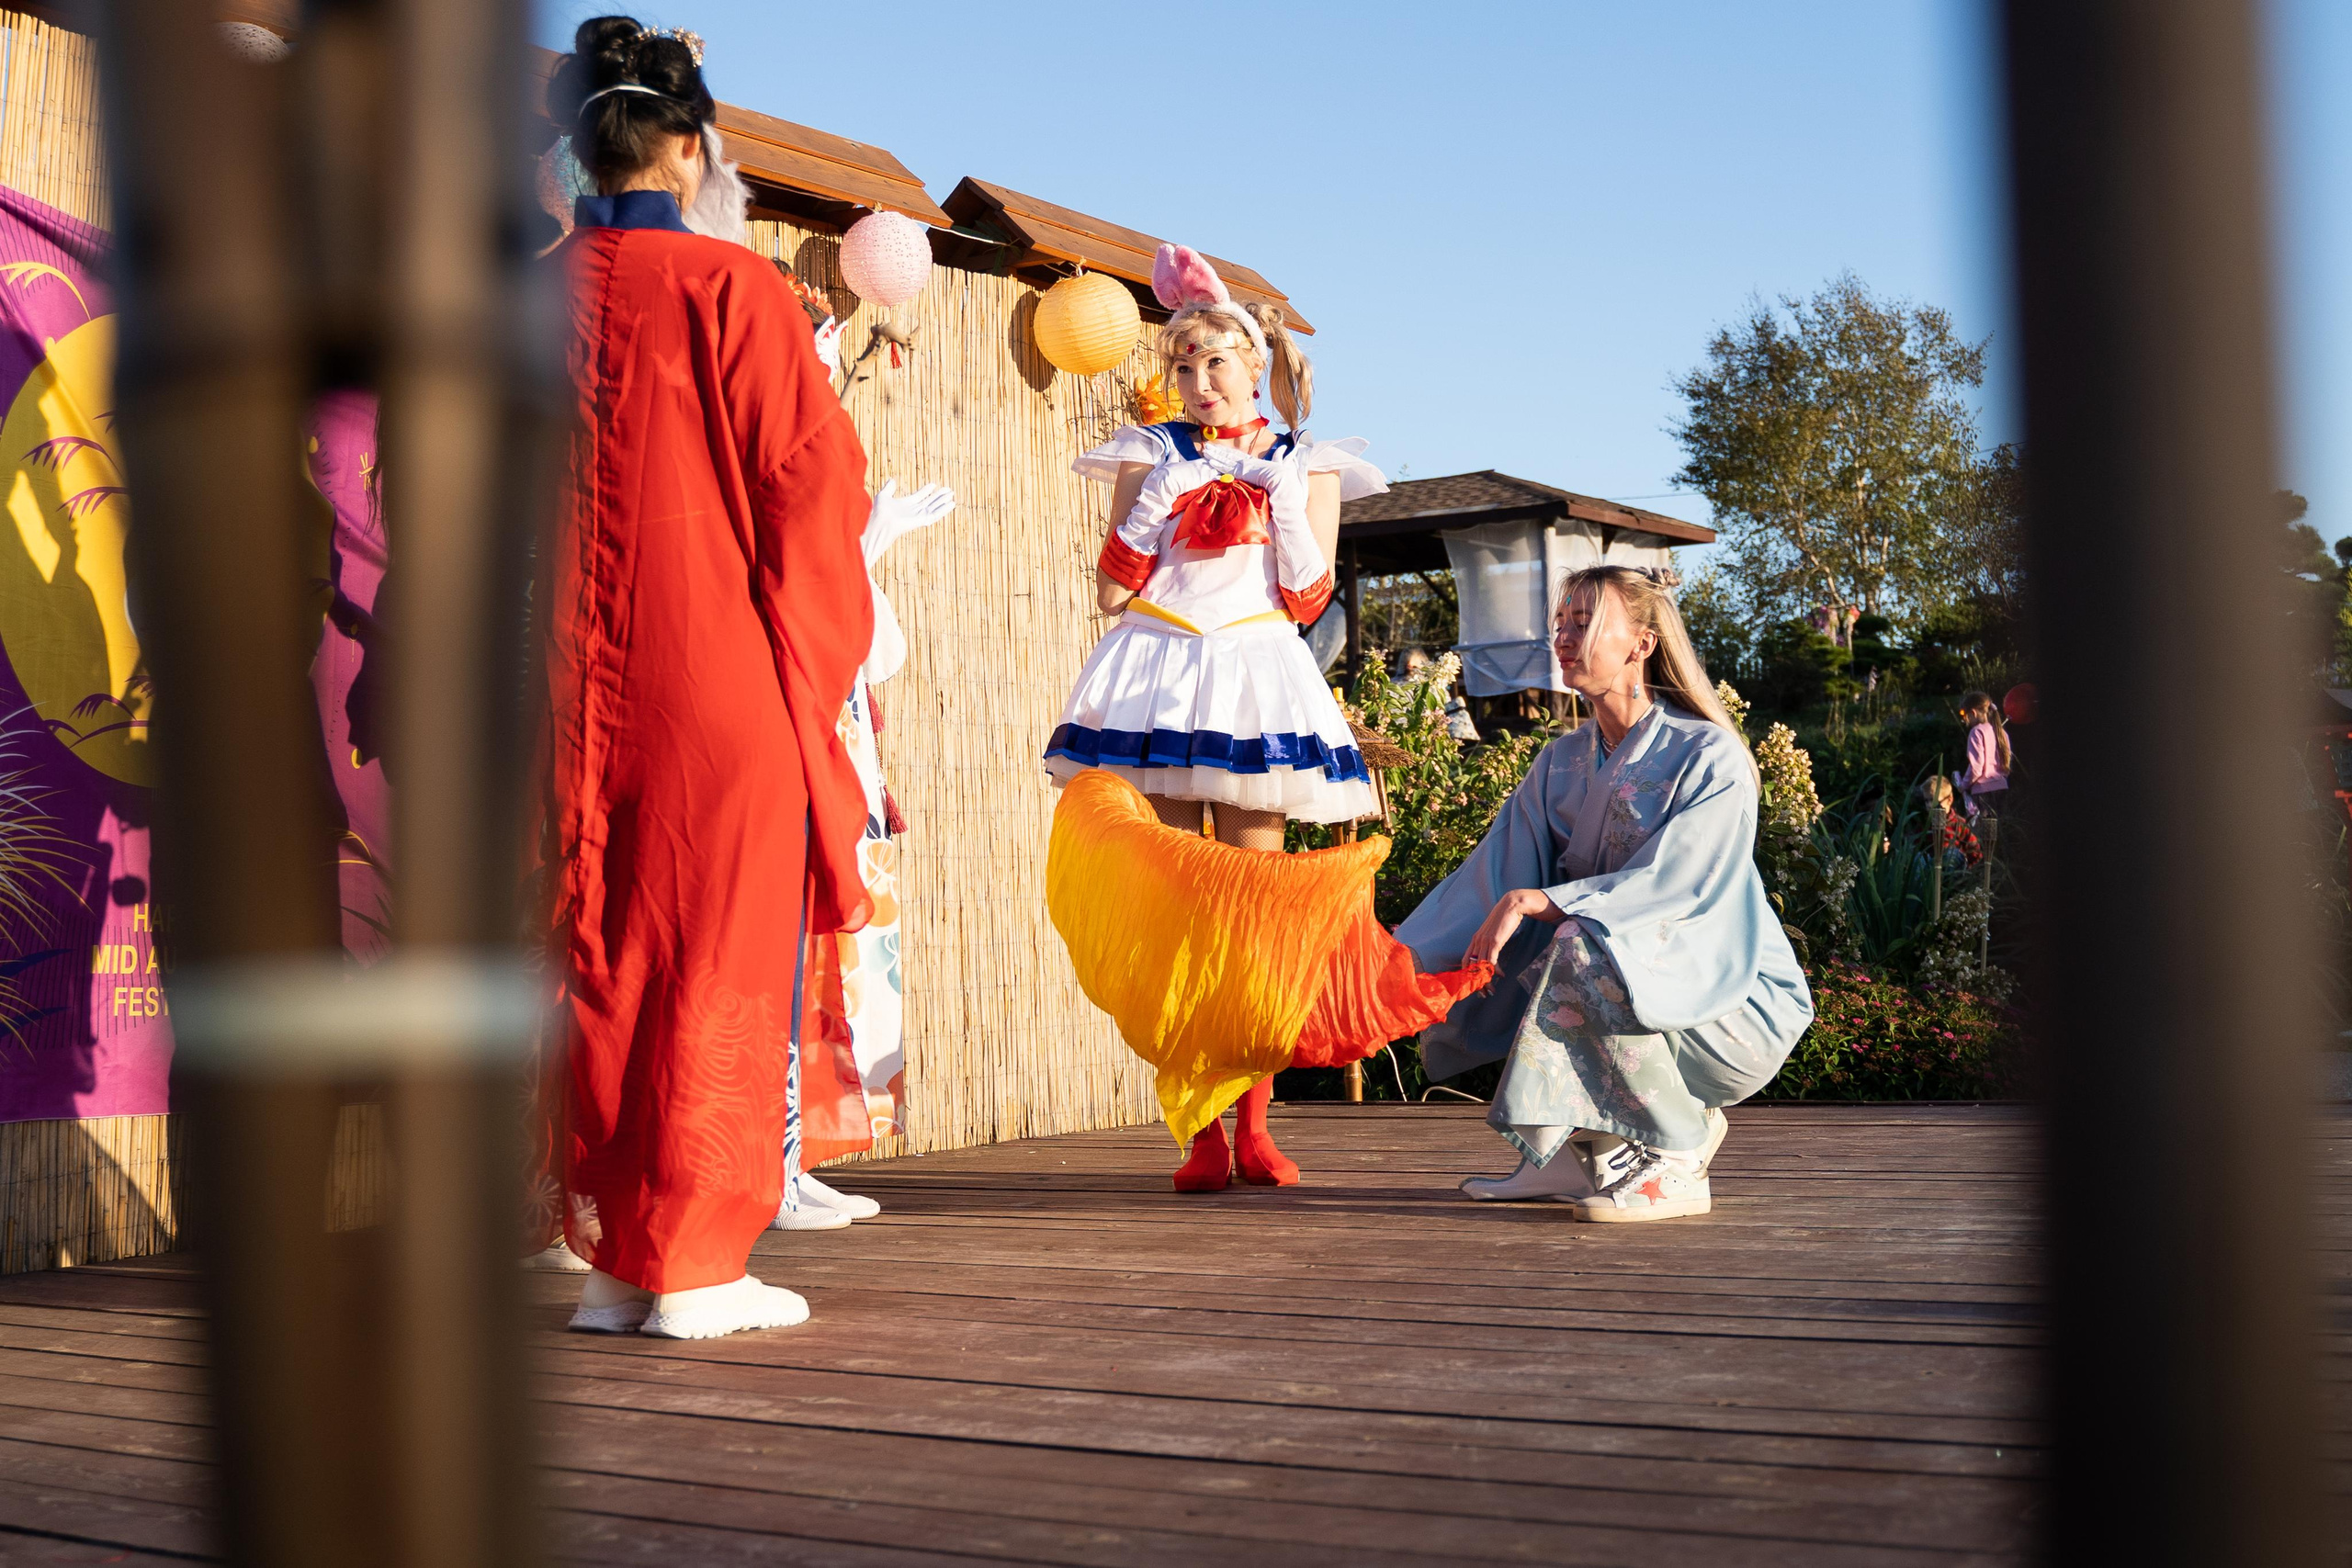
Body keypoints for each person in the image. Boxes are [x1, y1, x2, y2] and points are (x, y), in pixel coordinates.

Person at [540, 17, 875, 1338]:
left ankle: (624, 1259)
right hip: (710, 664)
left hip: (554, 679)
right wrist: (813, 664)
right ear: (692, 147)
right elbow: (810, 498)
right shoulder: (738, 293)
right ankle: (696, 1262)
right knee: (714, 947)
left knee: (599, 945)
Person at [1045, 245, 1472, 1190]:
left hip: (1252, 680)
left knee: (1258, 918)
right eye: (1183, 368)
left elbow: (1309, 599)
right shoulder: (1147, 453)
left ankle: (1255, 1127)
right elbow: (1112, 595)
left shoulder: (1305, 462)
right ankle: (1197, 1134)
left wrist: (1279, 502)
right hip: (1155, 677)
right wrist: (1152, 507)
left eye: (1215, 365)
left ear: (1252, 367)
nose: (1198, 383)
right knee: (1176, 912)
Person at [1394, 566, 1814, 1221]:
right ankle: (1577, 1147)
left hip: (1730, 997)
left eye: (1585, 621)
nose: (1564, 635)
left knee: (1578, 937)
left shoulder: (1711, 756)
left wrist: (1552, 901)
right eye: (1561, 622)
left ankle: (1679, 1149)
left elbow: (1680, 884)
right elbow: (1490, 879)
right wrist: (1392, 962)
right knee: (1528, 949)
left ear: (1642, 643)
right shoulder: (1559, 764)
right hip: (1642, 991)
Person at [1953, 691, 2011, 818]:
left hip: (1983, 793)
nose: (1965, 721)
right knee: (1999, 832)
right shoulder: (2001, 732)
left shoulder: (1976, 732)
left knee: (1982, 834)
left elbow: (1977, 768)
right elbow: (2006, 762)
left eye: (1965, 716)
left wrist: (1963, 786)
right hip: (2002, 789)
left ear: (1973, 713)